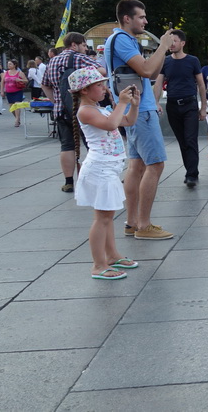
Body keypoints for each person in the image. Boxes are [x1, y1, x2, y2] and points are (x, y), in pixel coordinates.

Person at [104, 0, 174, 240]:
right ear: (127, 18)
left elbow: (152, 71)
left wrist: (163, 50)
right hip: (140, 111)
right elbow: (145, 71)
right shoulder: (122, 39)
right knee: (155, 165)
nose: (145, 21)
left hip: (134, 109)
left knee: (136, 166)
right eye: (141, 17)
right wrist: (163, 46)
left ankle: (132, 222)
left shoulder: (120, 40)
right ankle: (144, 225)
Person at [70, 67, 140, 280]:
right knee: (102, 218)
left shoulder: (101, 108)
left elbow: (126, 121)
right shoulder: (85, 110)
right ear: (84, 90)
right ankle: (98, 264)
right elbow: (111, 124)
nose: (104, 88)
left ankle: (112, 255)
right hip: (100, 169)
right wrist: (123, 103)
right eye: (99, 85)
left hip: (108, 168)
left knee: (107, 216)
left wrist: (133, 106)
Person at [42, 32, 106, 192]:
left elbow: (44, 84)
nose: (85, 49)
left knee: (67, 146)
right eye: (83, 45)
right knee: (92, 145)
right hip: (82, 110)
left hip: (61, 110)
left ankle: (69, 181)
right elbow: (102, 72)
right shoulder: (78, 57)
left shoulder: (53, 61)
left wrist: (56, 100)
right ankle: (96, 179)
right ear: (74, 45)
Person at [153, 29, 207, 187]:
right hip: (172, 105)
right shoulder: (165, 61)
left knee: (190, 139)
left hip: (189, 105)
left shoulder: (192, 60)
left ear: (182, 43)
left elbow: (201, 84)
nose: (171, 44)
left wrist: (203, 107)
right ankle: (190, 170)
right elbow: (158, 82)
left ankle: (192, 174)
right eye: (170, 41)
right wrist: (155, 102)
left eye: (174, 41)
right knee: (182, 141)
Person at [1, 59, 28, 128]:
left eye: (10, 64)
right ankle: (17, 118)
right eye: (8, 64)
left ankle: (17, 120)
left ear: (15, 65)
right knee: (11, 107)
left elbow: (26, 81)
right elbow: (2, 82)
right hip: (9, 92)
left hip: (18, 91)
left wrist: (20, 80)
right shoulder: (6, 73)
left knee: (17, 105)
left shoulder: (19, 73)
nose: (8, 65)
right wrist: (2, 91)